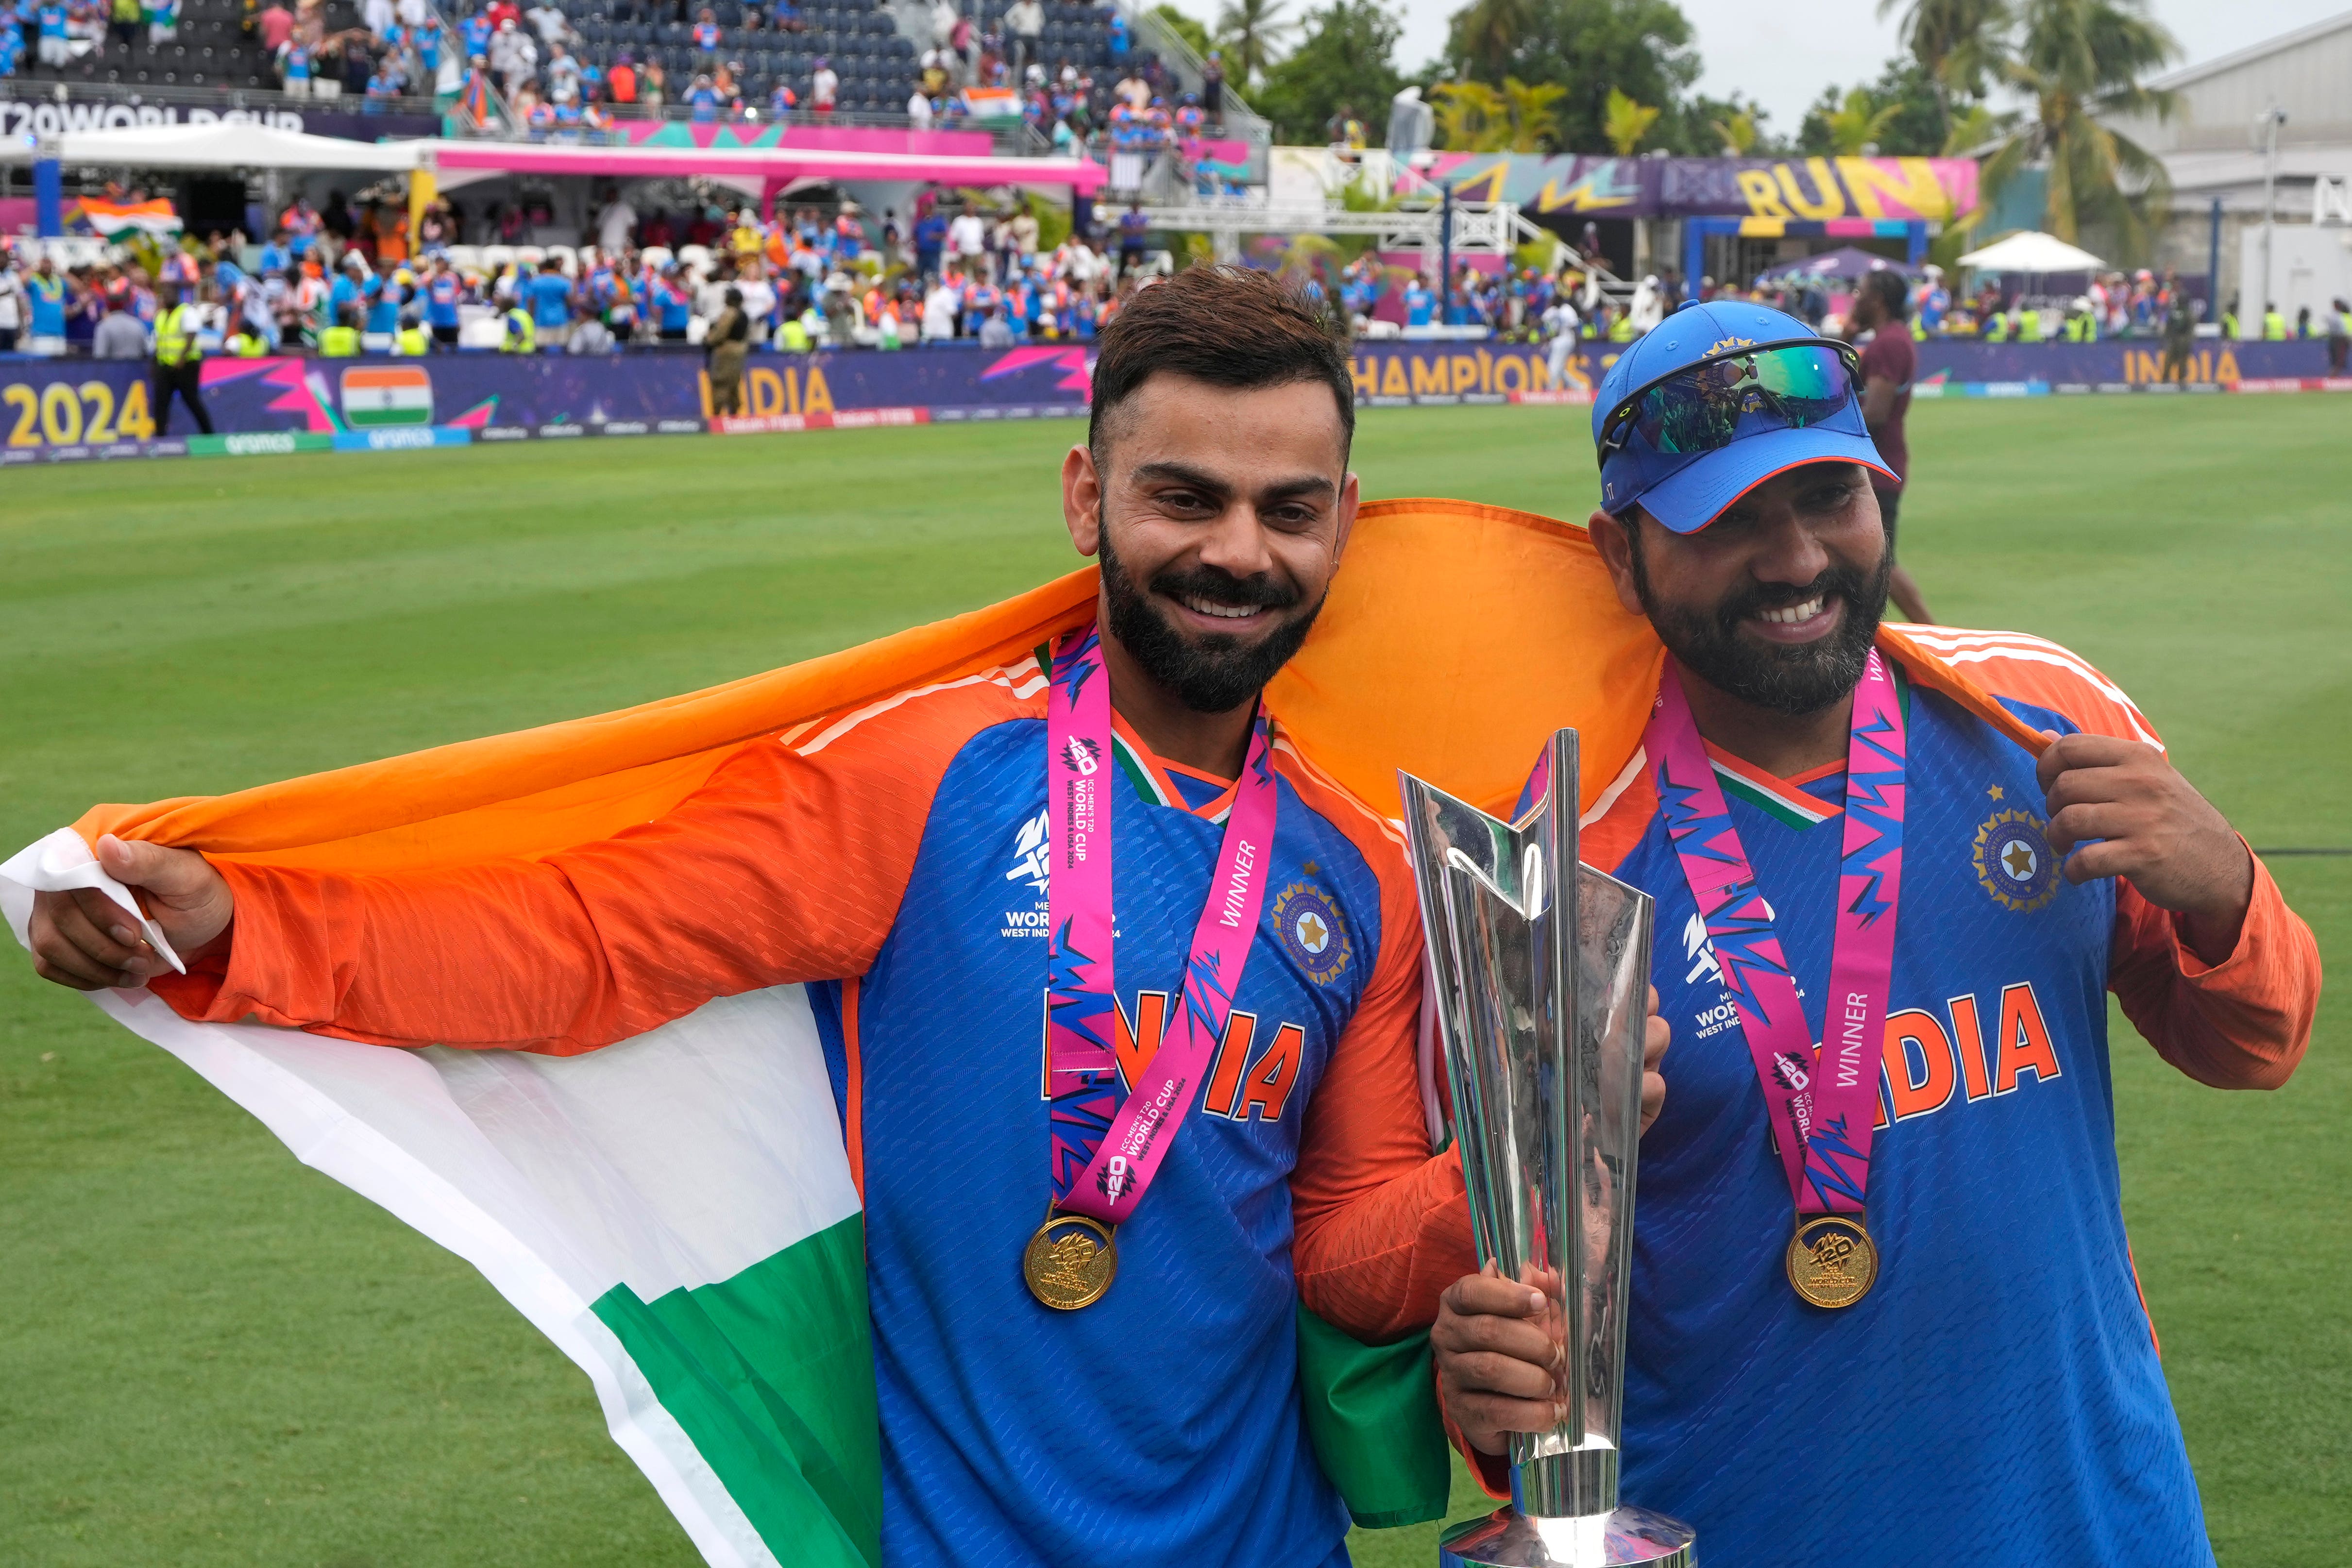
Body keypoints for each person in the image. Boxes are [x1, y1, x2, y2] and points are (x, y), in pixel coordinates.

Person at [21, 266, 1624, 1568]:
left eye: (1286, 508)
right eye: (1182, 495)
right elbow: (583, 940)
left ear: (1343, 519)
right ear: (1087, 497)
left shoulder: (1361, 872)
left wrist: (1524, 1150)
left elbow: (1340, 1249)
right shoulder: (927, 772)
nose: (1233, 549)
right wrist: (246, 918)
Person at [1430, 300, 2318, 1568]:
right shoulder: (1556, 865)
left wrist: (2226, 887)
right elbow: (1525, 1336)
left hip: (2099, 1520)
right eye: (1728, 519)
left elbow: (2257, 1042)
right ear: (1619, 555)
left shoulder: (2042, 714)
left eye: (1830, 498)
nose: (1795, 559)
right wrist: (1489, 1382)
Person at [1842, 269, 1934, 624]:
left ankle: (1936, 638)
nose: (1855, 299)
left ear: (1877, 299)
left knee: (1881, 563)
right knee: (1865, 561)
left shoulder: (1888, 344)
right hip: (1881, 463)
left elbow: (1875, 411)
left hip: (1877, 468)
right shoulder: (1891, 339)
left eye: (1859, 291)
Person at [149, 281, 214, 436]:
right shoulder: (161, 316)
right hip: (166, 364)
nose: (167, 296)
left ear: (177, 295)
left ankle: (209, 433)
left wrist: (182, 358)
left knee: (191, 399)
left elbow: (191, 335)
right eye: (164, 294)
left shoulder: (186, 312)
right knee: (161, 402)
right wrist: (155, 362)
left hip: (186, 364)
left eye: (170, 293)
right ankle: (160, 437)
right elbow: (160, 340)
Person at [705, 284, 750, 415]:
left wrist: (708, 340)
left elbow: (720, 333)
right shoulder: (744, 314)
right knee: (734, 382)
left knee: (721, 382)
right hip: (741, 350)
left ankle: (717, 413)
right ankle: (735, 412)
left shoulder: (730, 313)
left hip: (727, 350)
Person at [92, 293, 150, 360]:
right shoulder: (137, 324)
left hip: (112, 369)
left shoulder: (103, 327)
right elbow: (146, 351)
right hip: (136, 369)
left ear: (108, 306)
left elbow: (99, 356)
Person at [2161, 291, 2195, 383]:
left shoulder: (2176, 311)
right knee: (2178, 359)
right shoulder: (2188, 312)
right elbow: (2191, 328)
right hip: (2180, 339)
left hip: (2176, 338)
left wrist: (2166, 337)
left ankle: (2168, 378)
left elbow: (2168, 326)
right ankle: (2177, 378)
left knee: (2173, 359)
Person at [2330, 297, 2350, 375]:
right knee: (2339, 360)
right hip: (2342, 340)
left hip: (2341, 339)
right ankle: (2334, 376)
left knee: (2338, 361)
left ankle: (2335, 376)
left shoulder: (2340, 316)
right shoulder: (2342, 317)